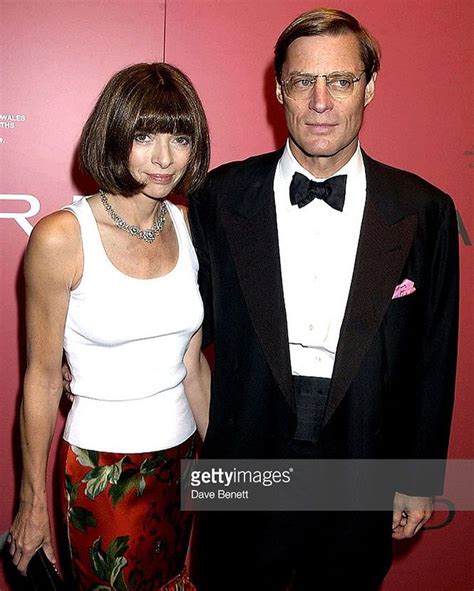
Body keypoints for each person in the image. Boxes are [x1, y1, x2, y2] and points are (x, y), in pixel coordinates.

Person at [189, 8, 459, 590]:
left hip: (363, 449)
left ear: (370, 88)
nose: (320, 100)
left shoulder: (424, 211)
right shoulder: (220, 196)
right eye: (303, 81)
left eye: (340, 81)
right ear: (278, 87)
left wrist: (420, 475)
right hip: (244, 450)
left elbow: (434, 355)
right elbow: (182, 325)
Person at [9, 62, 211, 590]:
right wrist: (31, 503)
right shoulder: (61, 237)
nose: (165, 158)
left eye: (180, 137)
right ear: (113, 135)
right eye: (144, 135)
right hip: (105, 470)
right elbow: (42, 379)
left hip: (184, 456)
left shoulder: (190, 227)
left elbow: (192, 367)